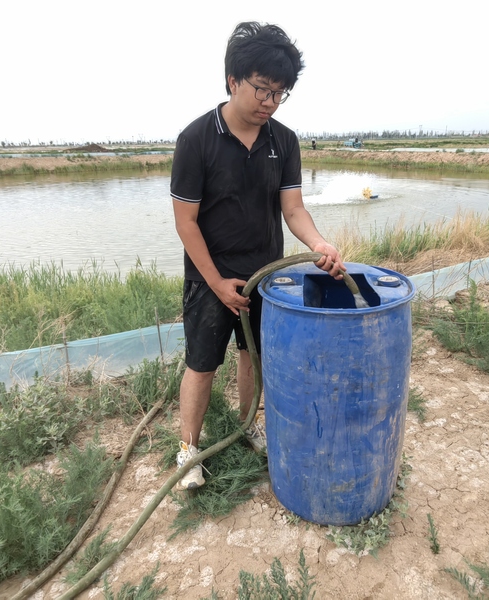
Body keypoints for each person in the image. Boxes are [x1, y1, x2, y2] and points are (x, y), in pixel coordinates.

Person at [170, 21, 345, 490]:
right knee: (202, 363)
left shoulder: (283, 142)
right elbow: (186, 222)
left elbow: (293, 208)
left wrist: (319, 244)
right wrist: (214, 283)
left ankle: (249, 430)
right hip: (212, 279)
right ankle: (188, 449)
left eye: (279, 93)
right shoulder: (196, 140)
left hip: (266, 276)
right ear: (233, 81)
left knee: (255, 358)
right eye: (262, 89)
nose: (269, 101)